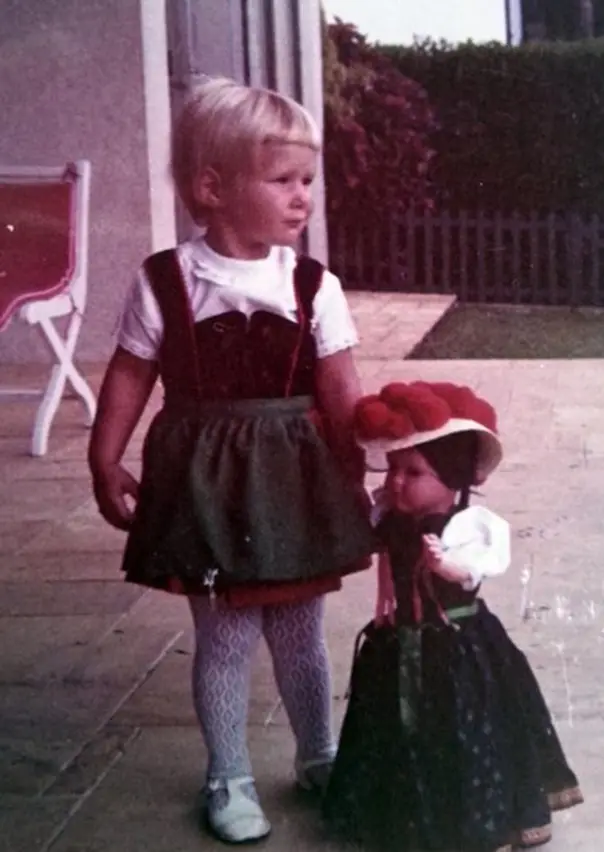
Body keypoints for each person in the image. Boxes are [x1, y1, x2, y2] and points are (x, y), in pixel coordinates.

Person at [87, 76, 374, 845]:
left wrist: (370, 461)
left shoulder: (315, 286)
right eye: (282, 180)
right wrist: (104, 457)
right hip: (207, 489)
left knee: (300, 632)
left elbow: (343, 390)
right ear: (211, 188)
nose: (302, 197)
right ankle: (229, 774)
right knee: (224, 638)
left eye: (306, 180)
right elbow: (128, 375)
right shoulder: (165, 282)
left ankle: (319, 755)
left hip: (296, 485)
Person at [322, 380, 583, 852]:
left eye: (414, 472)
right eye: (393, 468)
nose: (396, 481)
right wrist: (384, 603)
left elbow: (472, 575)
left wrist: (446, 564)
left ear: (454, 479)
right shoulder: (392, 519)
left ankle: (475, 816)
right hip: (400, 638)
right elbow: (387, 562)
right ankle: (403, 810)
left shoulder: (468, 529)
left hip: (457, 641)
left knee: (463, 727)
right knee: (398, 725)